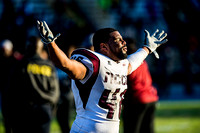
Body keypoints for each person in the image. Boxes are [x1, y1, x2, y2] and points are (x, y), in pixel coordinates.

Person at [37, 21, 167, 133]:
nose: (123, 42)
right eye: (117, 40)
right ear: (104, 46)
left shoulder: (121, 65)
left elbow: (132, 62)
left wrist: (147, 48)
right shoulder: (93, 63)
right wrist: (51, 43)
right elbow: (65, 64)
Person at [9, 36, 60, 133]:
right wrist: (51, 109)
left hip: (24, 110)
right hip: (45, 109)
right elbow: (55, 93)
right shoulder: (49, 66)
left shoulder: (21, 65)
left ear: (27, 47)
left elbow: (11, 91)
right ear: (40, 48)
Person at [122, 38, 159, 133]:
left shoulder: (127, 63)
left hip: (137, 99)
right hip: (151, 97)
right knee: (148, 130)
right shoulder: (142, 60)